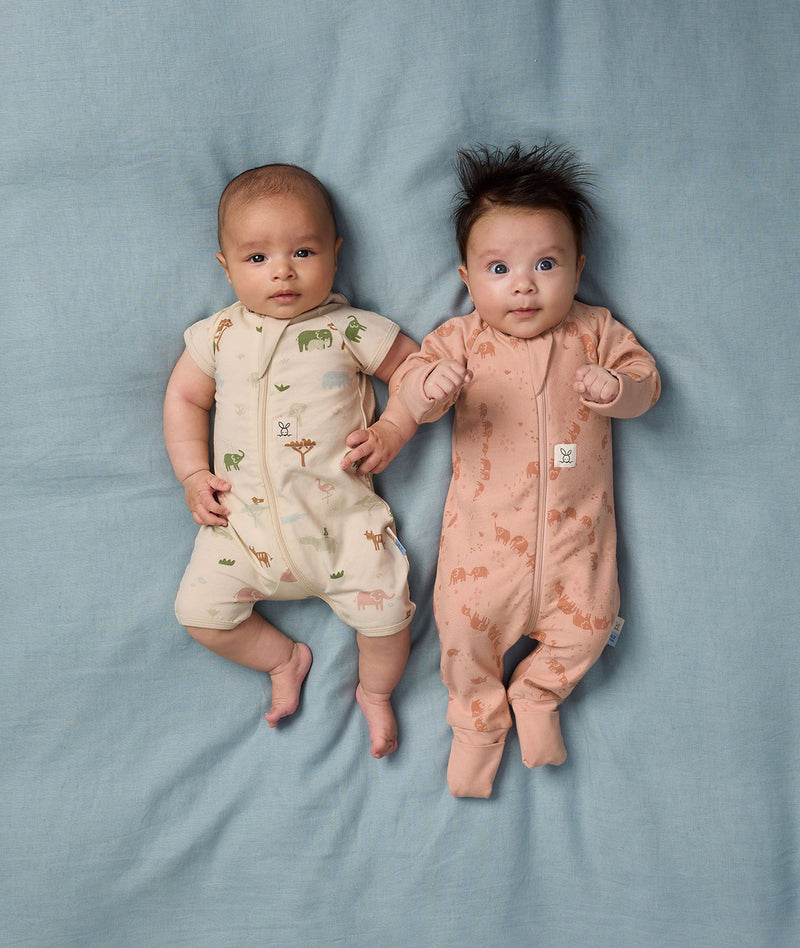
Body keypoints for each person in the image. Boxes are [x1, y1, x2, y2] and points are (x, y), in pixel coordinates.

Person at [392, 142, 661, 796]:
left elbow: (646, 383)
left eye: (546, 263)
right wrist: (430, 387)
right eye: (499, 268)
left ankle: (538, 694)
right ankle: (477, 724)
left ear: (578, 267)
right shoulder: (460, 341)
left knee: (592, 626)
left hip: (576, 544)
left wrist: (618, 389)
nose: (524, 284)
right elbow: (408, 390)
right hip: (483, 550)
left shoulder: (595, 333)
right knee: (461, 631)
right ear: (466, 277)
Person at [164, 164, 418, 759]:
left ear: (335, 251)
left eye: (303, 251)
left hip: (344, 530)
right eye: (257, 258)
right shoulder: (217, 336)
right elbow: (184, 399)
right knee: (198, 614)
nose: (282, 270)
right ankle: (283, 659)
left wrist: (391, 428)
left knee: (388, 618)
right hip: (242, 532)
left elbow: (415, 372)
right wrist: (193, 475)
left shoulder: (348, 328)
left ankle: (376, 693)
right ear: (226, 267)